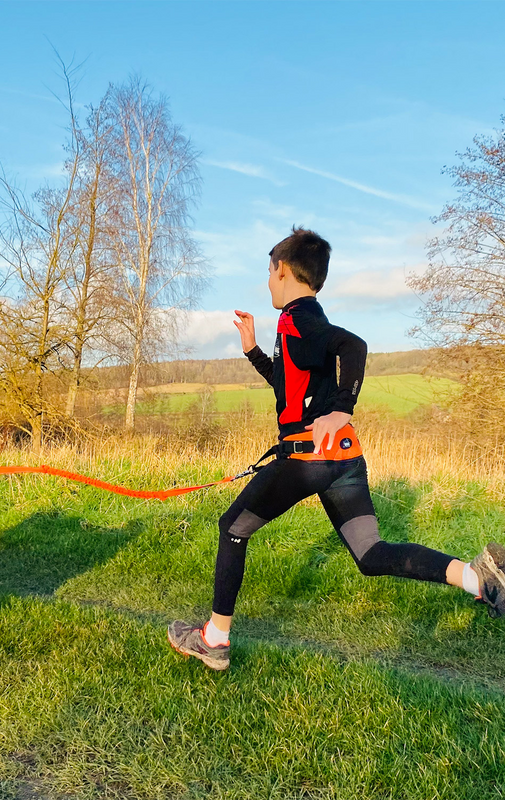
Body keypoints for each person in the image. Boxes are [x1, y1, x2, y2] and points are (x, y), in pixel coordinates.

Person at [167, 226, 505, 671]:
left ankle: (214, 639)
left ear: (281, 269)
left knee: (233, 526)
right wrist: (252, 351)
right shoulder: (307, 322)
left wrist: (342, 407)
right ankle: (478, 577)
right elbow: (290, 388)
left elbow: (356, 346)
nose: (268, 282)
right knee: (370, 554)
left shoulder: (297, 319)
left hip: (310, 458)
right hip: (344, 459)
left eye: (268, 273)